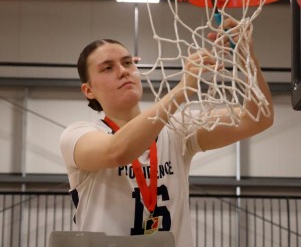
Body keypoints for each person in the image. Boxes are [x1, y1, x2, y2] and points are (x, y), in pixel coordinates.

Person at [59, 19, 274, 247]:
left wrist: (247, 58)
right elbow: (117, 151)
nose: (123, 71)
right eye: (108, 67)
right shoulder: (78, 134)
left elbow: (258, 118)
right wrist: (182, 90)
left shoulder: (177, 128)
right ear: (88, 90)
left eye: (128, 63)